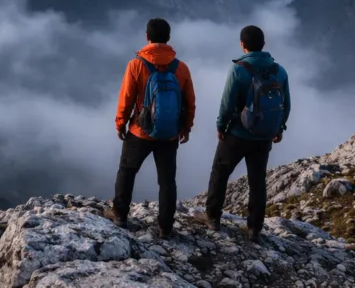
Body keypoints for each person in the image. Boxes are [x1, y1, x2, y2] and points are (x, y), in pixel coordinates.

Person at [201, 24, 291, 243]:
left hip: (237, 134)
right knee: (257, 181)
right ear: (263, 45)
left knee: (220, 173)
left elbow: (227, 104)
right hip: (263, 137)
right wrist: (279, 128)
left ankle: (212, 217)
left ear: (242, 45)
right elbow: (285, 105)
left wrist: (221, 127)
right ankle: (254, 229)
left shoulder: (239, 69)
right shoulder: (279, 71)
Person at [107, 18, 196, 238]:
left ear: (147, 37)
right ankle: (165, 227)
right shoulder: (181, 68)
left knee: (127, 171)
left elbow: (127, 98)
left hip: (140, 130)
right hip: (169, 133)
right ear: (168, 38)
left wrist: (120, 123)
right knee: (167, 180)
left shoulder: (136, 64)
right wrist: (186, 127)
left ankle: (119, 215)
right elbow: (189, 101)